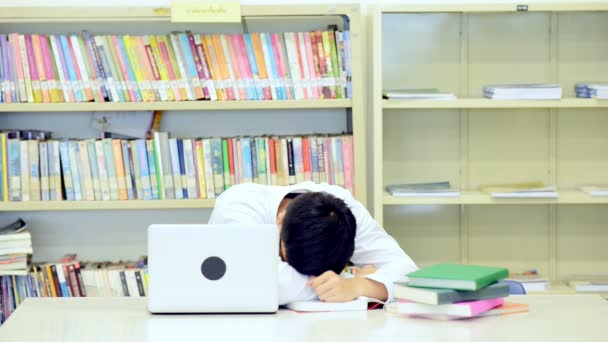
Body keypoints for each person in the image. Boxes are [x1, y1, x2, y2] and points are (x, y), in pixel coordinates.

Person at [208, 181, 417, 305]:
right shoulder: (237, 206)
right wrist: (345, 281)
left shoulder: (341, 210)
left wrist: (357, 286)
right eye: (284, 260)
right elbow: (251, 281)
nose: (318, 279)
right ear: (280, 220)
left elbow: (408, 274)